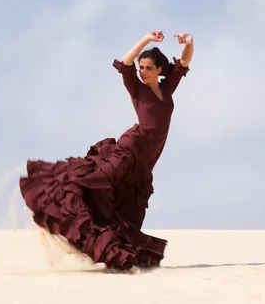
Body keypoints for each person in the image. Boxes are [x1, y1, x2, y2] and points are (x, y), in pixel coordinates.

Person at [19, 30, 194, 271]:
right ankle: (58, 208)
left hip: (145, 161)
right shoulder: (137, 88)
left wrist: (190, 43)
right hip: (129, 149)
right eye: (141, 67)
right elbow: (125, 63)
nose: (142, 72)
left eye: (147, 68)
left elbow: (184, 62)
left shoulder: (167, 89)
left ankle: (111, 250)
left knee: (129, 209)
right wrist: (146, 39)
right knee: (96, 182)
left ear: (159, 70)